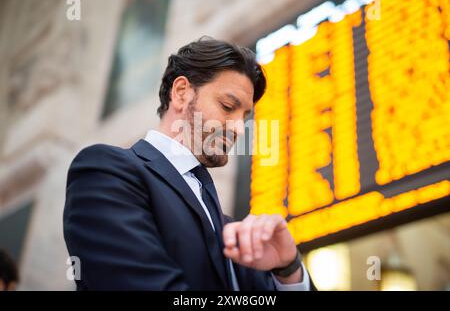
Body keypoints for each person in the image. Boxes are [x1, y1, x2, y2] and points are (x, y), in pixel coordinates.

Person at [63, 36, 316, 291]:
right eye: (228, 106)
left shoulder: (233, 231)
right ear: (181, 93)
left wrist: (289, 271)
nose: (240, 128)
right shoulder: (105, 172)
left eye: (245, 116)